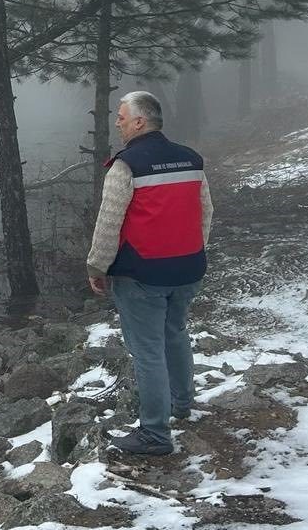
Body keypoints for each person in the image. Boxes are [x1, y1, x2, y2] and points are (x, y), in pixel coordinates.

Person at [86, 90, 213, 456]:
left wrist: (97, 266)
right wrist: (193, 251)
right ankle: (182, 403)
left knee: (147, 352)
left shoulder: (126, 165)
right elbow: (205, 212)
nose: (118, 122)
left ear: (140, 121)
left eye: (123, 117)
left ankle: (155, 435)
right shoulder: (191, 159)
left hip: (141, 274)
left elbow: (109, 223)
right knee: (175, 332)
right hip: (188, 268)